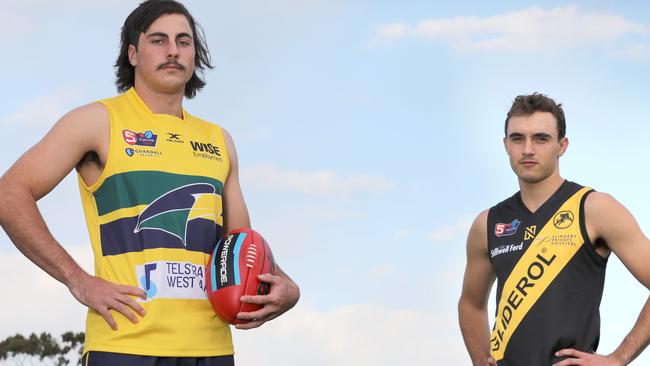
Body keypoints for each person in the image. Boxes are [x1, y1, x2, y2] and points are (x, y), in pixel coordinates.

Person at [0, 1, 299, 365]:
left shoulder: (220, 140)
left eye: (184, 41)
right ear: (132, 53)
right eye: (158, 40)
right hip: (124, 343)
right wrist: (78, 280)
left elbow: (240, 246)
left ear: (195, 55)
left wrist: (287, 288)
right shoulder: (96, 122)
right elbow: (10, 193)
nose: (173, 50)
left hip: (211, 349)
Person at [458, 93, 650, 366]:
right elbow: (470, 304)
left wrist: (619, 358)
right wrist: (481, 360)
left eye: (541, 138)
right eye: (517, 138)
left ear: (562, 145)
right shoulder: (487, 223)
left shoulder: (594, 208)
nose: (527, 149)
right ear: (505, 145)